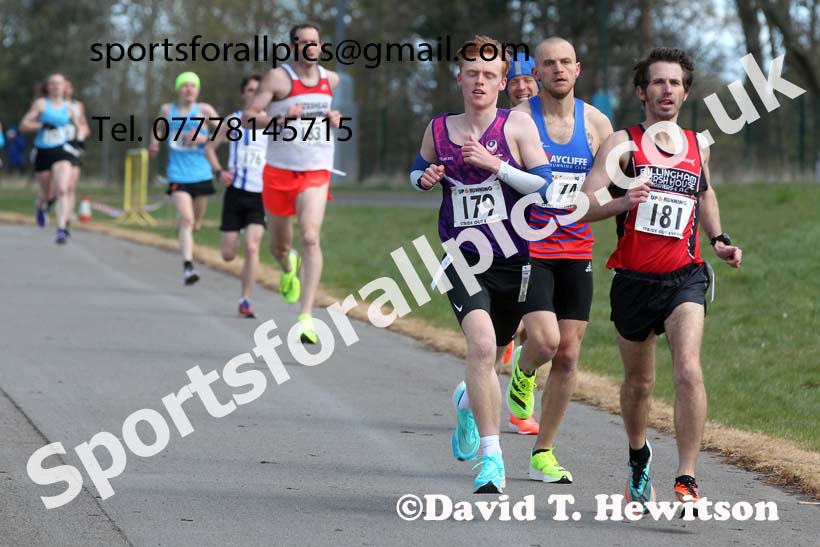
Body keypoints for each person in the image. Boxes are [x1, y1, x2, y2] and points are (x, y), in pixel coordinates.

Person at [579, 47, 742, 510]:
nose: (666, 90)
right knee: (639, 386)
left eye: (675, 83)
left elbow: (704, 195)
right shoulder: (622, 145)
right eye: (658, 82)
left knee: (688, 368)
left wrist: (720, 240)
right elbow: (585, 203)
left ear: (685, 92)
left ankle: (687, 475)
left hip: (684, 278)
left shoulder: (697, 144)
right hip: (632, 281)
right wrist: (621, 201)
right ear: (641, 91)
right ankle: (637, 455)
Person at [412, 35, 557, 493]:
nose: (480, 81)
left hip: (513, 259)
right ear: (459, 78)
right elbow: (417, 169)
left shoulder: (516, 127)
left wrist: (496, 166)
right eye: (472, 73)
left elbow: (544, 186)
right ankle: (492, 460)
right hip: (462, 255)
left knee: (493, 355)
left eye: (489, 75)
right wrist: (426, 177)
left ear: (501, 83)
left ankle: (466, 405)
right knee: (479, 347)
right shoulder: (439, 129)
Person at [510, 37, 614, 483]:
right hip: (530, 248)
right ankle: (523, 369)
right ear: (536, 73)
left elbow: (609, 187)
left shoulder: (596, 124)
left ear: (578, 69)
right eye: (548, 63)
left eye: (565, 63)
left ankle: (542, 452)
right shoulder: (518, 120)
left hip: (578, 250)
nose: (557, 70)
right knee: (547, 342)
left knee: (570, 357)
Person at [243, 22, 342, 343]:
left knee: (311, 237)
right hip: (279, 171)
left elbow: (327, 114)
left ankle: (306, 318)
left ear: (321, 46)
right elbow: (249, 116)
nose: (309, 47)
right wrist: (281, 119)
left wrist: (334, 119)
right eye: (303, 42)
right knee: (280, 246)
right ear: (293, 46)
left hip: (316, 169)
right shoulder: (278, 78)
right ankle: (289, 268)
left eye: (314, 42)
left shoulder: (331, 80)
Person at [495, 51, 541, 436]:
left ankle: (514, 349)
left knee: (547, 331)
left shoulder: (556, 121)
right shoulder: (499, 126)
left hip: (557, 233)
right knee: (527, 319)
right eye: (515, 82)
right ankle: (515, 404)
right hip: (509, 235)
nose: (522, 87)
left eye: (528, 81)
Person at [149, 72, 220, 285]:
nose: (189, 89)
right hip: (178, 174)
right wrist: (154, 143)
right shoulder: (167, 110)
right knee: (187, 219)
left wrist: (204, 137)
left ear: (197, 90)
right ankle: (188, 267)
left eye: (193, 86)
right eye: (185, 86)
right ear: (179, 89)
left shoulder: (205, 110)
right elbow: (158, 127)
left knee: (195, 223)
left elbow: (227, 132)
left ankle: (189, 229)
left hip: (202, 174)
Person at [205, 74, 266, 318]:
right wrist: (220, 172)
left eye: (258, 90)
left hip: (260, 195)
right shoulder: (232, 122)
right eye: (250, 90)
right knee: (228, 255)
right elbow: (209, 148)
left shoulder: (271, 123)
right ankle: (237, 238)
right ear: (244, 94)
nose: (254, 94)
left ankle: (245, 300)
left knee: (252, 247)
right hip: (235, 193)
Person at [20, 73, 82, 243]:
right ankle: (41, 205)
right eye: (52, 83)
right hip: (43, 151)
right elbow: (24, 124)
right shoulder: (41, 104)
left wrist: (78, 137)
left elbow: (79, 127)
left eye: (59, 83)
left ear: (64, 86)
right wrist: (41, 124)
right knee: (48, 194)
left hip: (62, 150)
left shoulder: (69, 107)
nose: (56, 86)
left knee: (63, 188)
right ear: (47, 87)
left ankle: (61, 229)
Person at [63, 79, 90, 218]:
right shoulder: (49, 105)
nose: (66, 90)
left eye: (69, 87)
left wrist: (82, 133)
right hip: (56, 146)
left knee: (71, 184)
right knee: (59, 186)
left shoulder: (78, 105)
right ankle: (47, 202)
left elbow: (84, 124)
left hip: (73, 146)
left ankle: (67, 215)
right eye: (64, 87)